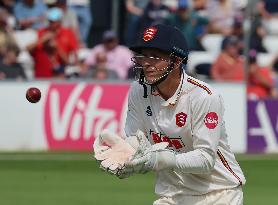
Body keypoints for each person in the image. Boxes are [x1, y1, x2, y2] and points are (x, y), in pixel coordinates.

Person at [94, 24, 246, 205]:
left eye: (155, 57)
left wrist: (157, 159)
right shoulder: (138, 90)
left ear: (176, 61)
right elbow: (137, 139)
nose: (146, 63)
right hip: (172, 196)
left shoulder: (203, 96)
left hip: (218, 194)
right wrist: (127, 155)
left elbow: (205, 159)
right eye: (143, 55)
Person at [27, 7, 79, 78]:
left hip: (60, 75)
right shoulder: (41, 32)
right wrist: (42, 40)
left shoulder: (67, 33)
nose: (51, 24)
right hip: (41, 74)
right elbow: (28, 49)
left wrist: (57, 47)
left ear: (60, 21)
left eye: (53, 21)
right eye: (50, 21)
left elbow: (70, 61)